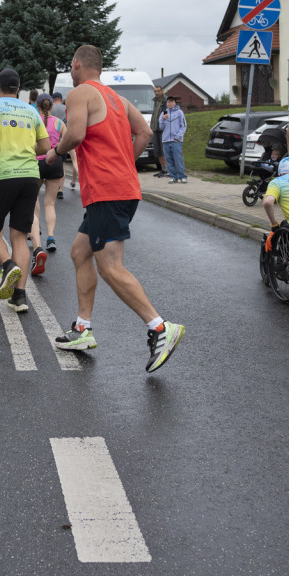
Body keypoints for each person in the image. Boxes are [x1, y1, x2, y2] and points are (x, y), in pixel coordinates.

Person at [44, 44, 185, 373]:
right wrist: (124, 163)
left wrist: (53, 154)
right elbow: (146, 132)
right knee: (80, 252)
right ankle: (82, 329)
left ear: (77, 64)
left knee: (109, 266)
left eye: (71, 65)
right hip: (120, 187)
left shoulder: (81, 93)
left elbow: (75, 134)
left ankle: (160, 328)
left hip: (107, 191)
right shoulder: (118, 100)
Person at [0, 68, 50, 312]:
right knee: (20, 235)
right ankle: (19, 297)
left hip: (4, 175)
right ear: (18, 88)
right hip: (30, 176)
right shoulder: (31, 110)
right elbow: (45, 145)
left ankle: (8, 266)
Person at [30, 93, 67, 259]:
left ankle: (36, 231)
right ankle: (51, 237)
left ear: (36, 106)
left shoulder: (33, 121)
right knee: (50, 203)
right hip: (54, 162)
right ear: (51, 106)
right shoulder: (59, 123)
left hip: (36, 163)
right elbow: (67, 142)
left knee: (34, 199)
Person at [159, 96, 187, 183]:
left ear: (175, 103)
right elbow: (161, 127)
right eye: (168, 102)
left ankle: (182, 176)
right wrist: (163, 119)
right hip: (166, 140)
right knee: (169, 160)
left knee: (178, 159)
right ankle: (173, 176)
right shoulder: (164, 113)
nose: (170, 103)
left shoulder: (179, 113)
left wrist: (178, 137)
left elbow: (183, 126)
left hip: (176, 141)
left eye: (171, 101)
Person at [149, 85, 168, 177]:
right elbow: (154, 115)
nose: (156, 93)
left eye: (158, 91)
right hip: (155, 129)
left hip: (163, 130)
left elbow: (167, 116)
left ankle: (168, 170)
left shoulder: (166, 102)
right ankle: (163, 170)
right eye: (155, 91)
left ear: (162, 91)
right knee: (158, 151)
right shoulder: (155, 102)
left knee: (164, 150)